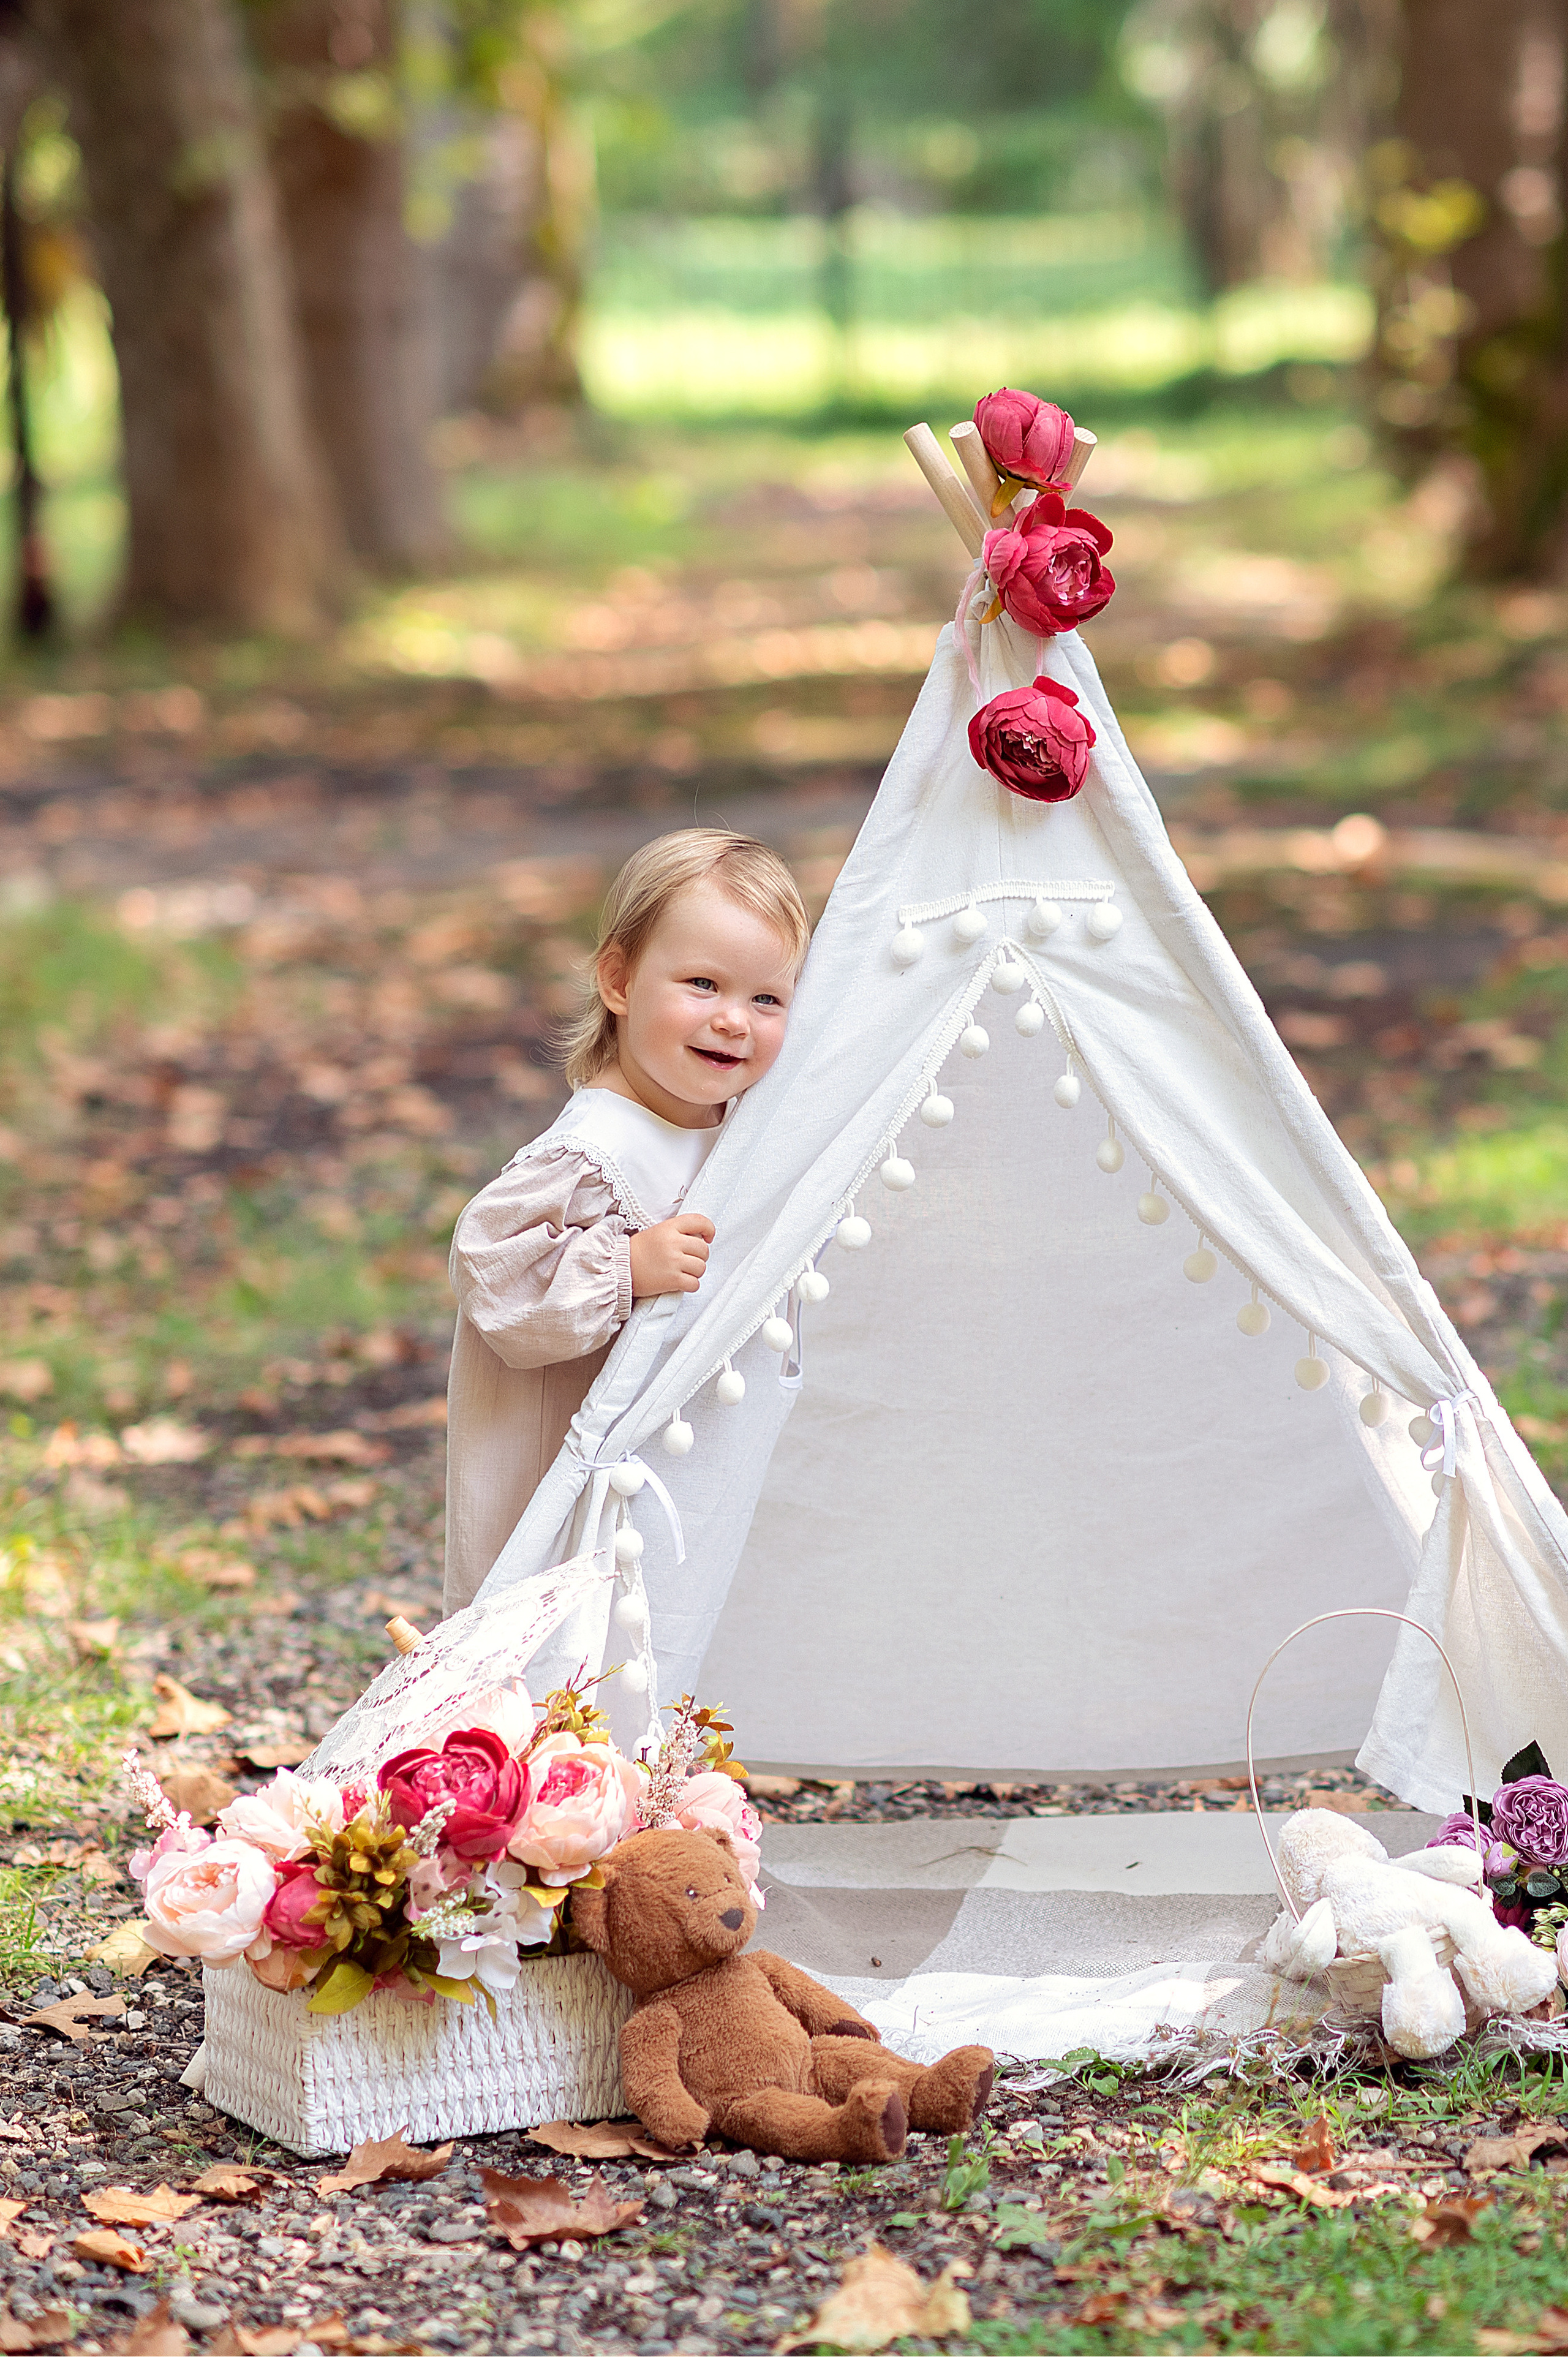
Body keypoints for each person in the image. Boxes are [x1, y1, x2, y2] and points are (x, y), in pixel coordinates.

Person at [443, 829, 812, 1613]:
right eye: (703, 983)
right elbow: (492, 1271)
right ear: (618, 979)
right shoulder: (593, 1151)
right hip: (564, 1473)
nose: (734, 1020)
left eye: (767, 998)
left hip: (664, 1473)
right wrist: (626, 1265)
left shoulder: (739, 1134)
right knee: (561, 1638)